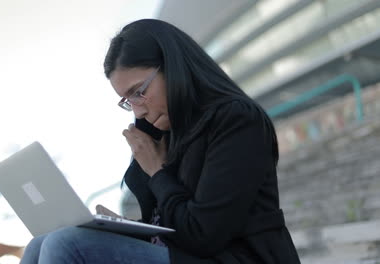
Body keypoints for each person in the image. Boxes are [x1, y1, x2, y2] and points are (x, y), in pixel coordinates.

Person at [20, 19, 301, 264]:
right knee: (42, 242)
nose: (138, 109)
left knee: (66, 244)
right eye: (127, 101)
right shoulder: (166, 133)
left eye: (139, 91)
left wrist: (157, 171)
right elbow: (172, 223)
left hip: (235, 258)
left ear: (174, 66)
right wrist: (123, 228)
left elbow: (204, 235)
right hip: (189, 255)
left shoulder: (237, 119)